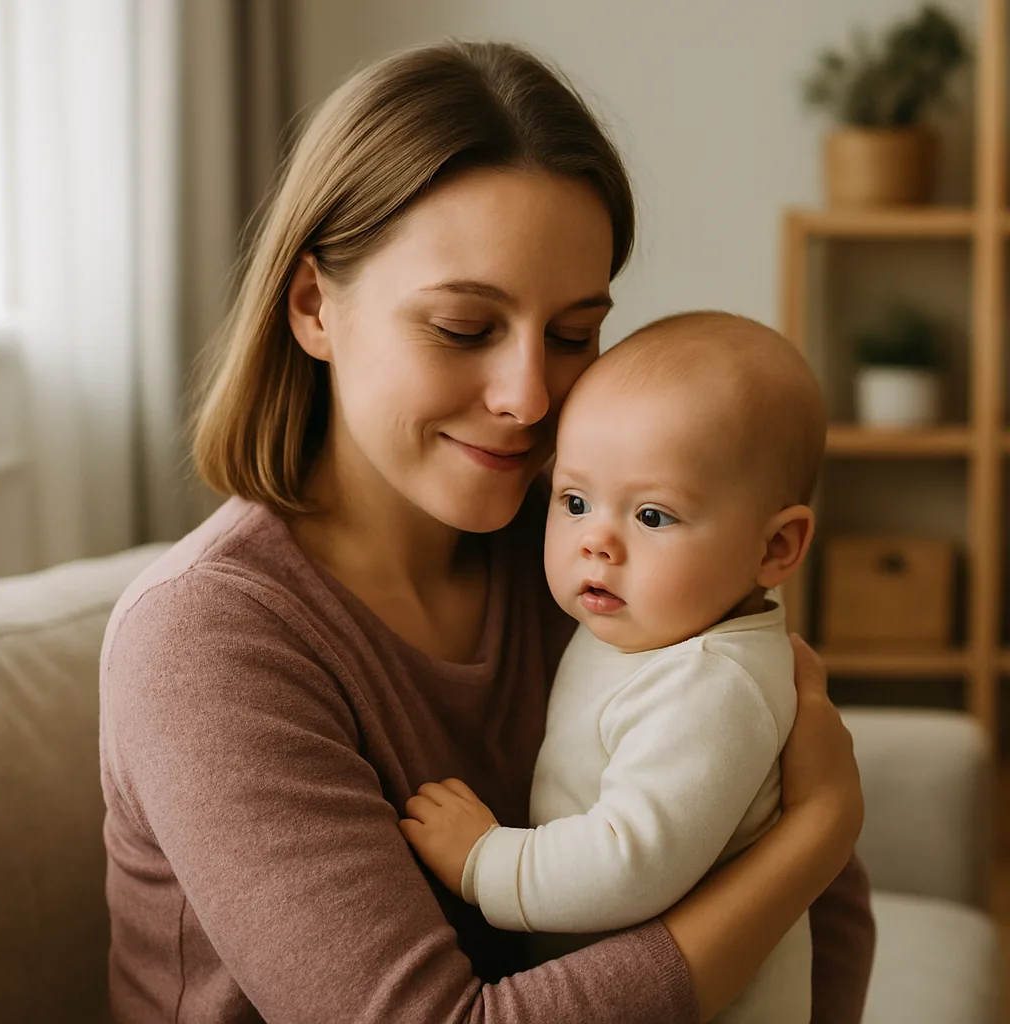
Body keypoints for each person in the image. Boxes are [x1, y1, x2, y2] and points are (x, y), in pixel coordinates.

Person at [99, 40, 874, 1024]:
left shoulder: (589, 551)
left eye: (572, 333)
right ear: (314, 308)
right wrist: (815, 833)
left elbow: (822, 922)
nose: (529, 397)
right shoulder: (204, 642)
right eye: (464, 328)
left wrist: (806, 852)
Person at [401, 312, 828, 1023]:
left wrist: (485, 860)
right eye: (574, 501)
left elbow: (631, 860)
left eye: (653, 516)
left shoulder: (712, 681)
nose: (596, 541)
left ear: (775, 549)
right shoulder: (655, 623)